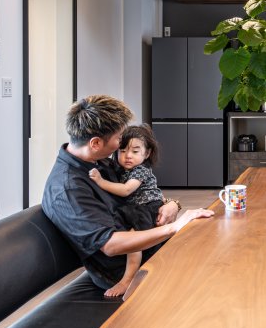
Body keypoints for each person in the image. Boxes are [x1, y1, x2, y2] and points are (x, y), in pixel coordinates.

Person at [41, 95, 213, 294]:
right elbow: (111, 245)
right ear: (95, 143)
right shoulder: (69, 189)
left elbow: (137, 194)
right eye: (118, 139)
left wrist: (172, 203)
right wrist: (175, 227)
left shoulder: (99, 161)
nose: (120, 144)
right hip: (124, 272)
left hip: (149, 247)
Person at [89, 124, 166, 297]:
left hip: (147, 207)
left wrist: (100, 182)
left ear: (147, 153)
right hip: (136, 208)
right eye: (122, 151)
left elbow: (126, 190)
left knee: (133, 239)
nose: (128, 156)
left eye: (135, 151)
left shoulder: (141, 170)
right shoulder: (122, 169)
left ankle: (127, 280)